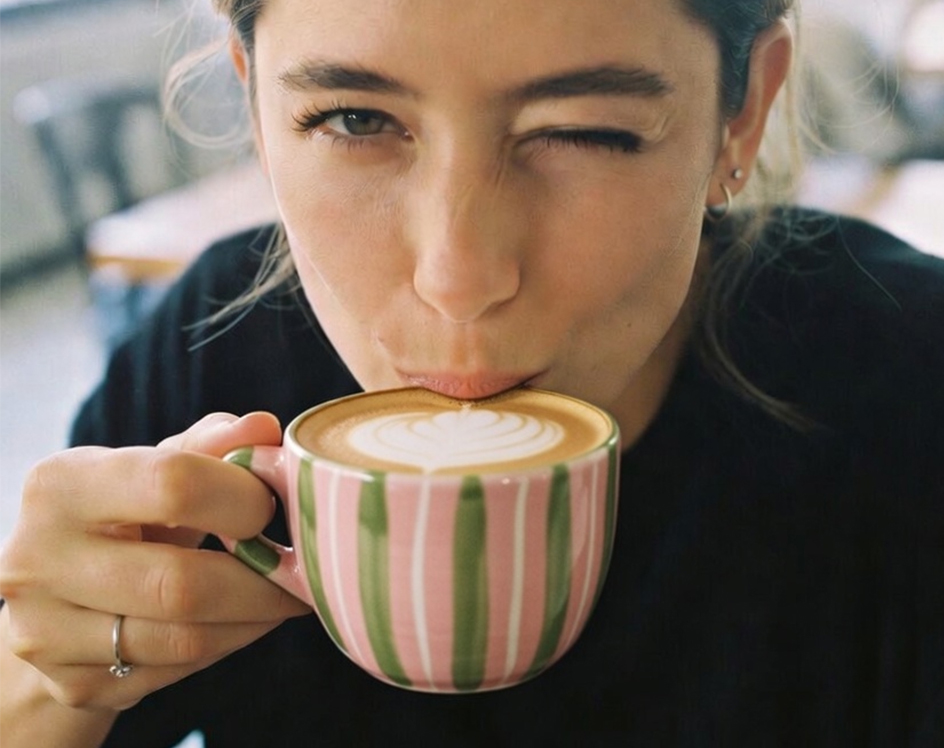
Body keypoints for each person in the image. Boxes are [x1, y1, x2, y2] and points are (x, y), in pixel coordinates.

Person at [1, 0, 942, 745]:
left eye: (583, 130)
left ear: (742, 114)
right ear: (254, 106)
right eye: (353, 117)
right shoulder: (206, 354)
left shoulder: (911, 383)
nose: (456, 280)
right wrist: (48, 690)